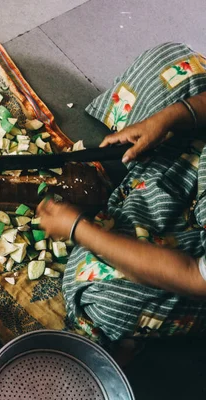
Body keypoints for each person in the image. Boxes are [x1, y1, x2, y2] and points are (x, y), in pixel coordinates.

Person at [37, 42, 206, 343]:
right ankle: (157, 172)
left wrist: (80, 230)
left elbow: (191, 274)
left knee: (105, 303)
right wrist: (168, 118)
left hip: (193, 269)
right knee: (172, 64)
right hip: (198, 165)